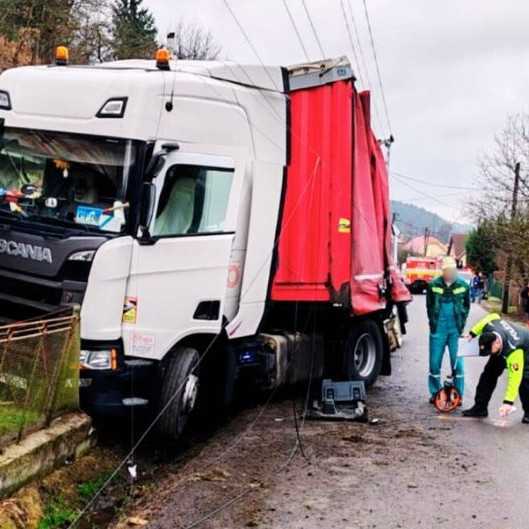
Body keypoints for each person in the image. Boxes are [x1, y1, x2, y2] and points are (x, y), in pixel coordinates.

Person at [463, 313, 529, 423]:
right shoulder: (490, 327)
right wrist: (472, 333)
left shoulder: (514, 351)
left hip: (525, 350)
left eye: (489, 351)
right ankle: (480, 408)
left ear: (497, 343)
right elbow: (492, 316)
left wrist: (508, 402)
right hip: (503, 348)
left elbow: (514, 378)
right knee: (488, 375)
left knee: (525, 383)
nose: (489, 354)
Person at [426, 257, 470, 403]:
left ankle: (458, 396)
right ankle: (435, 394)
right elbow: (430, 306)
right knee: (434, 363)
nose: (450, 273)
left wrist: (461, 324)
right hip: (438, 329)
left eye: (452, 270)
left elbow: (466, 306)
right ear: (443, 271)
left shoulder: (463, 285)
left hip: (455, 330)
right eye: (447, 271)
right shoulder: (433, 285)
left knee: (458, 364)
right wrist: (433, 324)